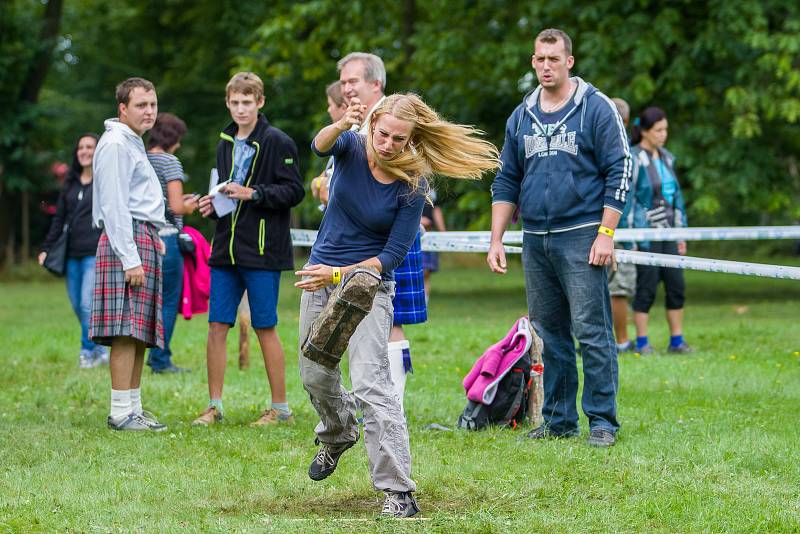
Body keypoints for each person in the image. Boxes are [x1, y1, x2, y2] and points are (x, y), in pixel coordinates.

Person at [297, 92, 499, 517]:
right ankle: (337, 433)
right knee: (314, 372)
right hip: (320, 276)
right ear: (372, 126)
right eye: (383, 133)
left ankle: (398, 492)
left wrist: (338, 275)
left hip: (368, 286)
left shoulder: (414, 185)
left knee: (372, 382)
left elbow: (392, 256)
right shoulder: (350, 146)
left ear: (411, 140)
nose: (388, 144)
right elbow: (319, 144)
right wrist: (341, 124)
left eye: (398, 139)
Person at [487, 28, 631, 447]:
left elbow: (620, 170)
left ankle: (602, 421)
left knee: (592, 331)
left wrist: (606, 233)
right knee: (549, 334)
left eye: (554, 59)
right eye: (539, 59)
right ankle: (558, 420)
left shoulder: (595, 108)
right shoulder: (522, 115)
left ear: (569, 61)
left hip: (582, 233)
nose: (546, 66)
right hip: (535, 238)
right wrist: (496, 240)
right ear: (532, 62)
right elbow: (506, 179)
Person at [194, 72, 305, 426]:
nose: (241, 109)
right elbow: (226, 190)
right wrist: (213, 204)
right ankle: (214, 406)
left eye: (248, 102)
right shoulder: (224, 141)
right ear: (228, 102)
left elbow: (294, 192)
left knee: (264, 325)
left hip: (262, 250)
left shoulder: (279, 141)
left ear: (260, 102)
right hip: (225, 248)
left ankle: (281, 408)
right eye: (235, 102)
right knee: (216, 325)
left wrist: (254, 193)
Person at [338, 51, 428, 372]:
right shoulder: (355, 121)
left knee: (392, 319)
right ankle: (376, 403)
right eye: (343, 82)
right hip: (362, 234)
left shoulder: (396, 120)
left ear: (376, 83)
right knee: (363, 320)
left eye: (353, 81)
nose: (346, 88)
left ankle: (394, 406)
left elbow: (409, 178)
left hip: (392, 235)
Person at [90, 77, 168, 431]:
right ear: (122, 108)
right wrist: (130, 256)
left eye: (152, 104)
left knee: (139, 330)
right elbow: (115, 204)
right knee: (125, 329)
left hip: (142, 235)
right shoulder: (116, 144)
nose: (149, 111)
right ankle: (120, 411)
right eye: (141, 105)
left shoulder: (133, 142)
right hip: (127, 239)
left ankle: (133, 408)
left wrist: (155, 235)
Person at [39, 133, 108, 368]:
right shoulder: (70, 182)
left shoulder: (104, 181)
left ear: (98, 151)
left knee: (88, 304)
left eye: (90, 146)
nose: (85, 151)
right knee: (78, 306)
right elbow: (59, 219)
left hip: (94, 252)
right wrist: (47, 248)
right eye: (81, 147)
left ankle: (87, 352)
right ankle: (99, 347)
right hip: (71, 254)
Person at [628, 106, 692, 354]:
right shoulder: (633, 158)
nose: (663, 134)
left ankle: (677, 340)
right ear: (644, 131)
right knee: (646, 288)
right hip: (645, 235)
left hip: (670, 233)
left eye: (666, 130)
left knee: (677, 286)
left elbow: (677, 198)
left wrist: (681, 233)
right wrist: (631, 235)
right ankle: (642, 342)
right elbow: (628, 199)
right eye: (658, 130)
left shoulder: (667, 157)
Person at [146, 112, 197, 374]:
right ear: (173, 137)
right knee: (167, 301)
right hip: (167, 237)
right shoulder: (170, 162)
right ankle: (160, 359)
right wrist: (192, 204)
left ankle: (146, 352)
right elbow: (176, 206)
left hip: (144, 237)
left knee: (147, 301)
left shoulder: (142, 158)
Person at [608, 97, 637, 352]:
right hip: (619, 230)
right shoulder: (625, 152)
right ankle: (621, 341)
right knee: (618, 289)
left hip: (599, 228)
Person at [310, 81, 348, 206]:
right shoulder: (337, 138)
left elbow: (322, 189)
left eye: (330, 105)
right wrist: (320, 182)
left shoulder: (349, 140)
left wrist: (320, 182)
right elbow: (317, 185)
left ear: (343, 108)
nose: (328, 110)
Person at [420, 188, 446, 302]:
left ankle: (424, 303)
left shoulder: (433, 187)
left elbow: (436, 209)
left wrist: (443, 232)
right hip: (411, 234)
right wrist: (417, 220)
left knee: (426, 272)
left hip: (429, 234)